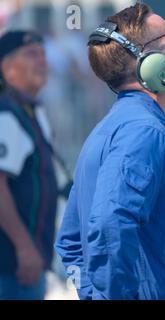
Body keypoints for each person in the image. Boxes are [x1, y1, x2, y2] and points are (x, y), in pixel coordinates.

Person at [55, 3, 165, 300]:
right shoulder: (144, 132)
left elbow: (70, 243)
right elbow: (110, 224)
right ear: (150, 63)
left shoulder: (113, 127)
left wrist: (93, 294)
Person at [0, 30, 58, 300]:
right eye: (31, 54)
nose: (42, 61)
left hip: (26, 268)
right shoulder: (6, 114)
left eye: (43, 55)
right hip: (11, 269)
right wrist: (24, 248)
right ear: (7, 68)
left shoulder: (32, 111)